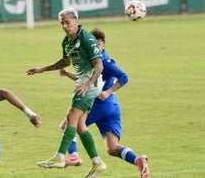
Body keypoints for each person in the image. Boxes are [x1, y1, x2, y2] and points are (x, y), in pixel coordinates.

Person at [58, 28, 150, 178]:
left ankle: (74, 155)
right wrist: (67, 73)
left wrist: (108, 91)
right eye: (94, 43)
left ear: (104, 45)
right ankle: (138, 160)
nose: (96, 46)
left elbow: (123, 76)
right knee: (112, 148)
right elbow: (88, 80)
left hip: (100, 105)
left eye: (99, 43)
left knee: (68, 125)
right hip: (112, 107)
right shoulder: (94, 60)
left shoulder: (104, 61)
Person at [26, 8, 106, 178]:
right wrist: (42, 69)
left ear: (76, 20)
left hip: (90, 84)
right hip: (82, 83)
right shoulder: (67, 41)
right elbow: (65, 61)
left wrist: (88, 84)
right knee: (79, 125)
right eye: (62, 23)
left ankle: (60, 157)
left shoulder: (87, 39)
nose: (64, 26)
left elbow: (99, 66)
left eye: (67, 22)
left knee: (71, 117)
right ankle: (97, 163)